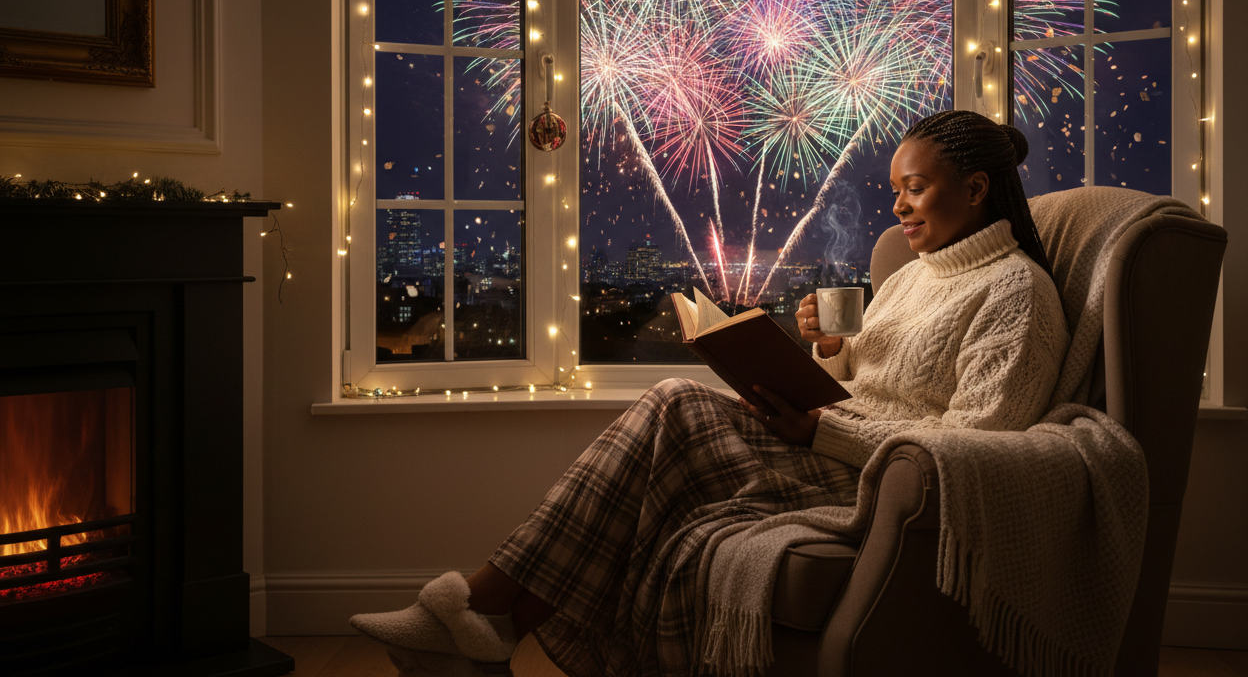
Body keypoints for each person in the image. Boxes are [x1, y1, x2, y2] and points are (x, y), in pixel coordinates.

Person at [349, 110, 1070, 677]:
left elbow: (974, 451)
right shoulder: (914, 274)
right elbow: (874, 383)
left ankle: (479, 608)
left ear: (975, 189)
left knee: (673, 402)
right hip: (830, 441)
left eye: (916, 188)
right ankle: (488, 621)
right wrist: (831, 352)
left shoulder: (1018, 295)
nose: (900, 207)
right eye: (894, 191)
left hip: (876, 480)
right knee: (670, 432)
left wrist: (822, 430)